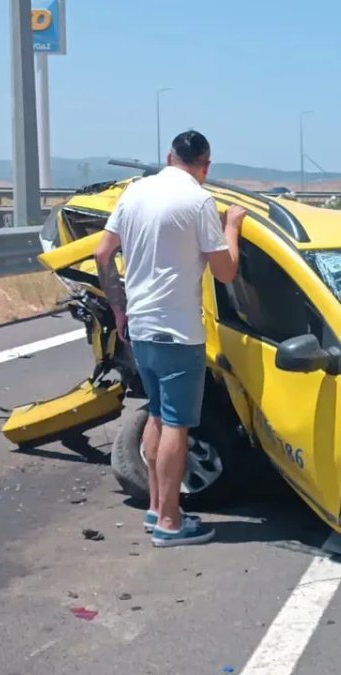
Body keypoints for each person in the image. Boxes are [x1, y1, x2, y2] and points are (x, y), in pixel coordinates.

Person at [94, 129, 243, 547]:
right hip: (179, 332)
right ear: (206, 166)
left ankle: (157, 510)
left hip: (139, 327)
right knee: (177, 423)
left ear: (168, 156)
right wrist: (231, 226)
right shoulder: (199, 202)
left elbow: (103, 254)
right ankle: (171, 523)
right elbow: (226, 271)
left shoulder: (136, 192)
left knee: (157, 415)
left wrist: (119, 307)